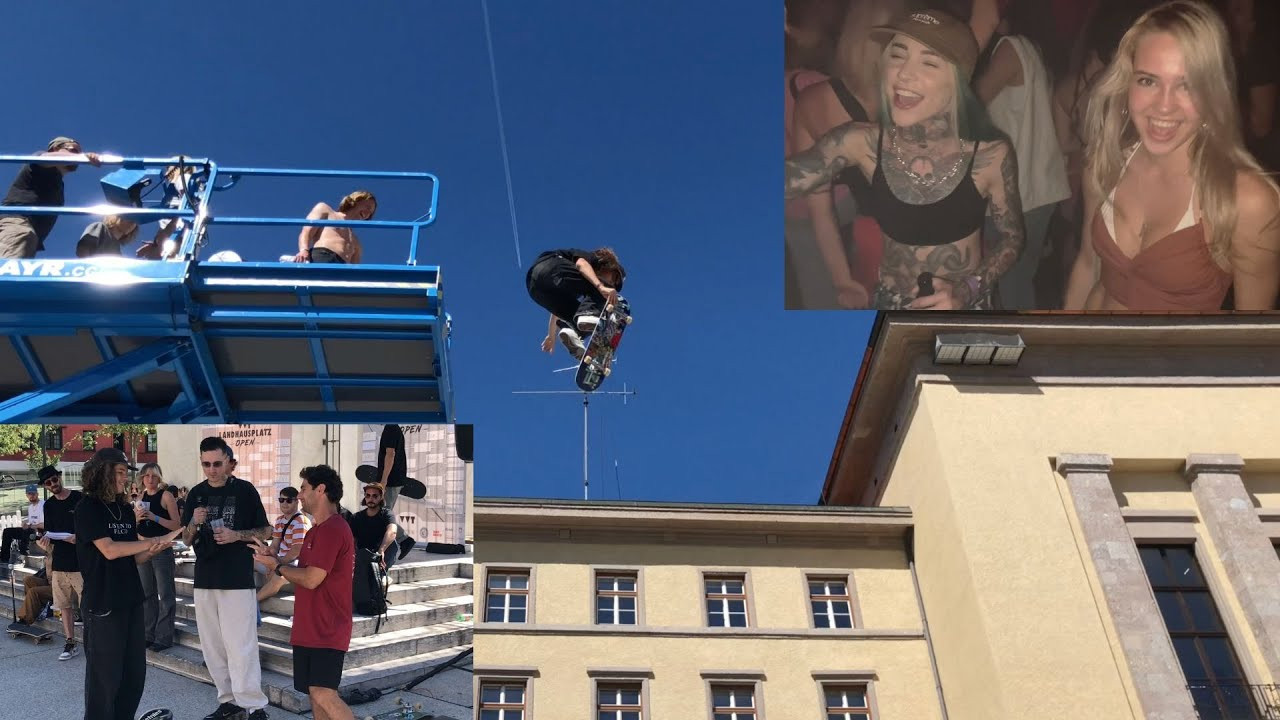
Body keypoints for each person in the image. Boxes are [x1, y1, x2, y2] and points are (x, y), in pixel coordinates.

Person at [785, 8, 1025, 310]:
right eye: (897, 55)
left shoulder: (990, 154)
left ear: (957, 82)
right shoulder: (860, 142)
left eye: (929, 62)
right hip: (891, 304)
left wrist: (968, 289)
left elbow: (1012, 239)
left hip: (964, 305)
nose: (904, 73)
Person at [1064, 0, 1280, 311]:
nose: (1163, 106)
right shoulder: (1105, 163)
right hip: (1092, 351)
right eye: (1148, 80)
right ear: (1127, 83)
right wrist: (1063, 350)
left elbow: (1250, 335)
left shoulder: (1248, 200)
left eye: (1186, 85)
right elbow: (1087, 267)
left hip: (1178, 360)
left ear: (1213, 93)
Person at [791, 0, 907, 309]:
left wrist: (843, 280)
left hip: (873, 239)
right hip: (934, 241)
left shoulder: (815, 101)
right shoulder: (920, 94)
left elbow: (820, 208)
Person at [975, 0, 1071, 309]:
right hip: (1039, 188)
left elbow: (972, 101)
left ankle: (1015, 346)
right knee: (1019, 281)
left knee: (1010, 284)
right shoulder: (1033, 50)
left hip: (1019, 190)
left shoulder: (1011, 48)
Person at [75, 447, 173, 720]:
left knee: (133, 676)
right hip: (103, 605)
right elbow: (109, 549)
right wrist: (148, 542)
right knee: (104, 680)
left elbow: (133, 557)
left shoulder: (124, 509)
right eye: (119, 473)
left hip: (131, 600)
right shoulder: (88, 508)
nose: (124, 479)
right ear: (102, 473)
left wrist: (151, 550)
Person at [251, 466, 356, 720]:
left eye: (304, 488)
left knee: (323, 693)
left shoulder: (333, 529)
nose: (299, 495)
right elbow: (302, 572)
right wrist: (273, 557)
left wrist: (276, 566)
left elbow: (310, 579)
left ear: (320, 490)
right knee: (314, 693)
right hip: (309, 627)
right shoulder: (315, 530)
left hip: (328, 627)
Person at [181, 437, 273, 720]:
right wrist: (194, 522)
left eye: (217, 464)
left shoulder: (245, 490)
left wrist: (237, 535)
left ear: (230, 463)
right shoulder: (195, 493)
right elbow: (185, 540)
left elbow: (266, 531)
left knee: (241, 644)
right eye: (206, 464)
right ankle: (229, 700)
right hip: (205, 577)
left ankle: (255, 705)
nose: (212, 470)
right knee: (212, 646)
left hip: (236, 577)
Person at [0, 137, 102, 259]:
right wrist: (84, 157)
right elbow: (46, 158)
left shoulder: (58, 184)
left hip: (27, 233)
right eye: (74, 150)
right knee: (10, 272)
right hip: (16, 223)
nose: (77, 156)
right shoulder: (39, 160)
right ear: (55, 149)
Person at [526, 247, 626, 359]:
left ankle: (572, 333)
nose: (612, 283)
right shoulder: (592, 260)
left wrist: (551, 335)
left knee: (578, 319)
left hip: (535, 289)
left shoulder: (575, 282)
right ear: (609, 266)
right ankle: (588, 315)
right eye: (614, 277)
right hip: (550, 266)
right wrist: (601, 287)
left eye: (614, 285)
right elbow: (581, 264)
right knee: (602, 291)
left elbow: (556, 311)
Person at [37, 465, 84, 661]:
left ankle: (95, 641)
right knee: (64, 605)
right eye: (48, 483)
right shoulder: (48, 505)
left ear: (59, 478)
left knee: (88, 605)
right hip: (59, 562)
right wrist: (45, 541)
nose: (53, 485)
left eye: (54, 480)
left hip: (80, 561)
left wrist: (77, 537)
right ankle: (70, 641)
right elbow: (49, 532)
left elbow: (89, 527)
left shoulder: (78, 498)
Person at [134, 463, 181, 651]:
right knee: (147, 593)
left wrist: (154, 517)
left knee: (165, 594)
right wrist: (137, 519)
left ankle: (163, 636)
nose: (150, 480)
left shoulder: (166, 496)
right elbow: (134, 524)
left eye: (154, 476)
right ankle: (148, 634)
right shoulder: (140, 497)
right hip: (144, 547)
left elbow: (177, 525)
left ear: (159, 477)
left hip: (162, 548)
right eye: (146, 476)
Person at [255, 486, 311, 603]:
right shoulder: (280, 520)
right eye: (281, 500)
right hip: (282, 561)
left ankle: (253, 603)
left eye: (289, 500)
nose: (284, 503)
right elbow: (275, 545)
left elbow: (296, 551)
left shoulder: (301, 521)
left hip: (297, 565)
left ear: (297, 501)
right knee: (250, 559)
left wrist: (277, 565)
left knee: (278, 577)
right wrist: (267, 553)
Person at [293, 191, 377, 264]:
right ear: (357, 200)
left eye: (370, 213)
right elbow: (306, 232)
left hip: (344, 269)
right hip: (323, 256)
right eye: (368, 207)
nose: (368, 213)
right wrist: (304, 250)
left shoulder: (356, 242)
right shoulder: (326, 210)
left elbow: (355, 269)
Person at [374, 424, 415, 560]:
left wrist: (384, 480)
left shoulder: (390, 428)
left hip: (391, 480)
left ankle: (404, 540)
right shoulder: (393, 428)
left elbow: (390, 454)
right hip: (393, 479)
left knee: (383, 514)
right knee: (381, 513)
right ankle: (401, 540)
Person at [0, 483, 43, 575]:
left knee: (27, 530)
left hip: (41, 531)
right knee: (7, 531)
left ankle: (23, 556)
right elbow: (31, 522)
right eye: (29, 494)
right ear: (27, 495)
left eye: (33, 493)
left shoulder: (43, 505)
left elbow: (44, 524)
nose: (31, 496)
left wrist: (30, 526)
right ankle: (4, 558)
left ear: (37, 494)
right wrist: (26, 524)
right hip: (31, 529)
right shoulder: (31, 507)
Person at [76, 216, 141, 258]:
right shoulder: (100, 227)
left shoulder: (117, 249)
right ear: (118, 217)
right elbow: (83, 250)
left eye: (135, 222)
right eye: (130, 218)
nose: (132, 223)